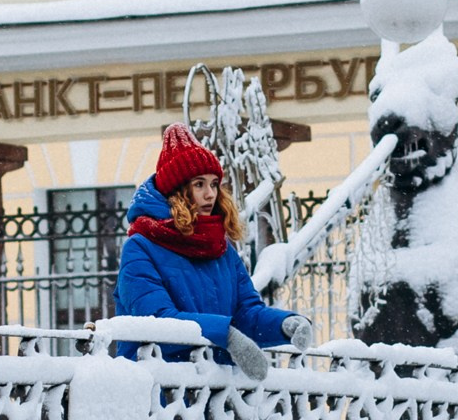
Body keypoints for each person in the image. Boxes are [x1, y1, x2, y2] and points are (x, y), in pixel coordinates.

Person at [113, 124, 311, 377]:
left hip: (214, 394)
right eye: (199, 184)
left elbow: (246, 313)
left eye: (215, 184)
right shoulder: (141, 247)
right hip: (159, 393)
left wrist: (285, 324)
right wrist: (226, 335)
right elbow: (158, 322)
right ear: (177, 192)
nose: (210, 194)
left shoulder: (221, 249)